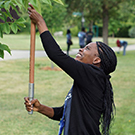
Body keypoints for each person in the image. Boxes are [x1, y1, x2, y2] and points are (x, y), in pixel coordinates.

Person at [24, 3, 117, 135]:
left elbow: (56, 55)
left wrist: (40, 22)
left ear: (97, 60)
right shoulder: (88, 80)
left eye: (87, 48)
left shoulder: (93, 76)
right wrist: (40, 108)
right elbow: (64, 113)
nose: (81, 49)